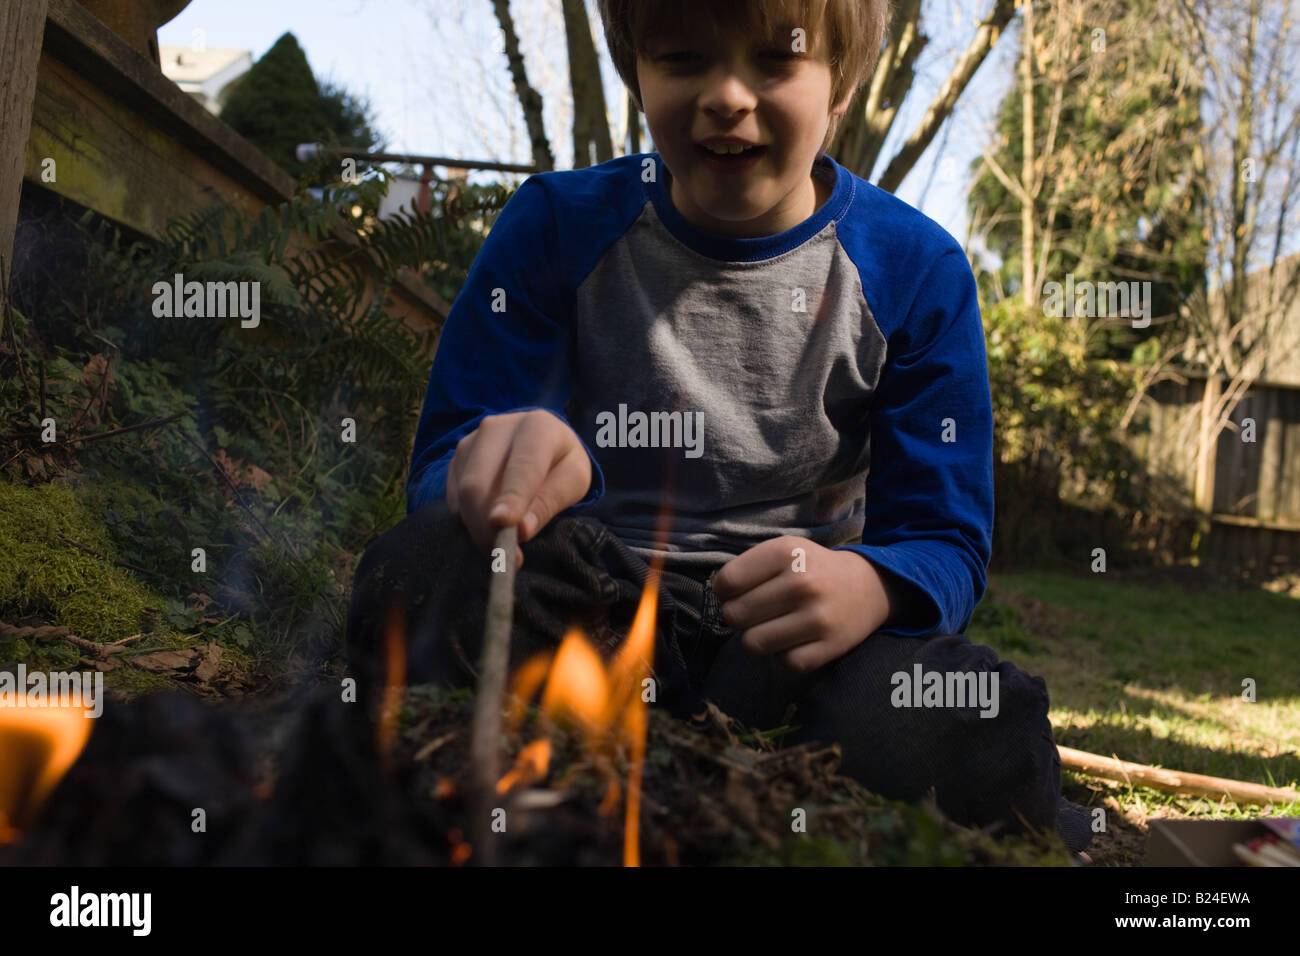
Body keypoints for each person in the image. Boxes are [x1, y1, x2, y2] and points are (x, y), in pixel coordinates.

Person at [346, 0, 1092, 855]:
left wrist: (871, 586)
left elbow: (946, 540)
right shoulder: (554, 226)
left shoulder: (918, 271)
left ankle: (709, 782)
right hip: (592, 617)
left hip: (797, 653)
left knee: (960, 715)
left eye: (776, 61)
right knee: (423, 569)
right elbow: (444, 468)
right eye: (682, 57)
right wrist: (494, 471)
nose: (727, 95)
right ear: (636, 70)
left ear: (840, 84)